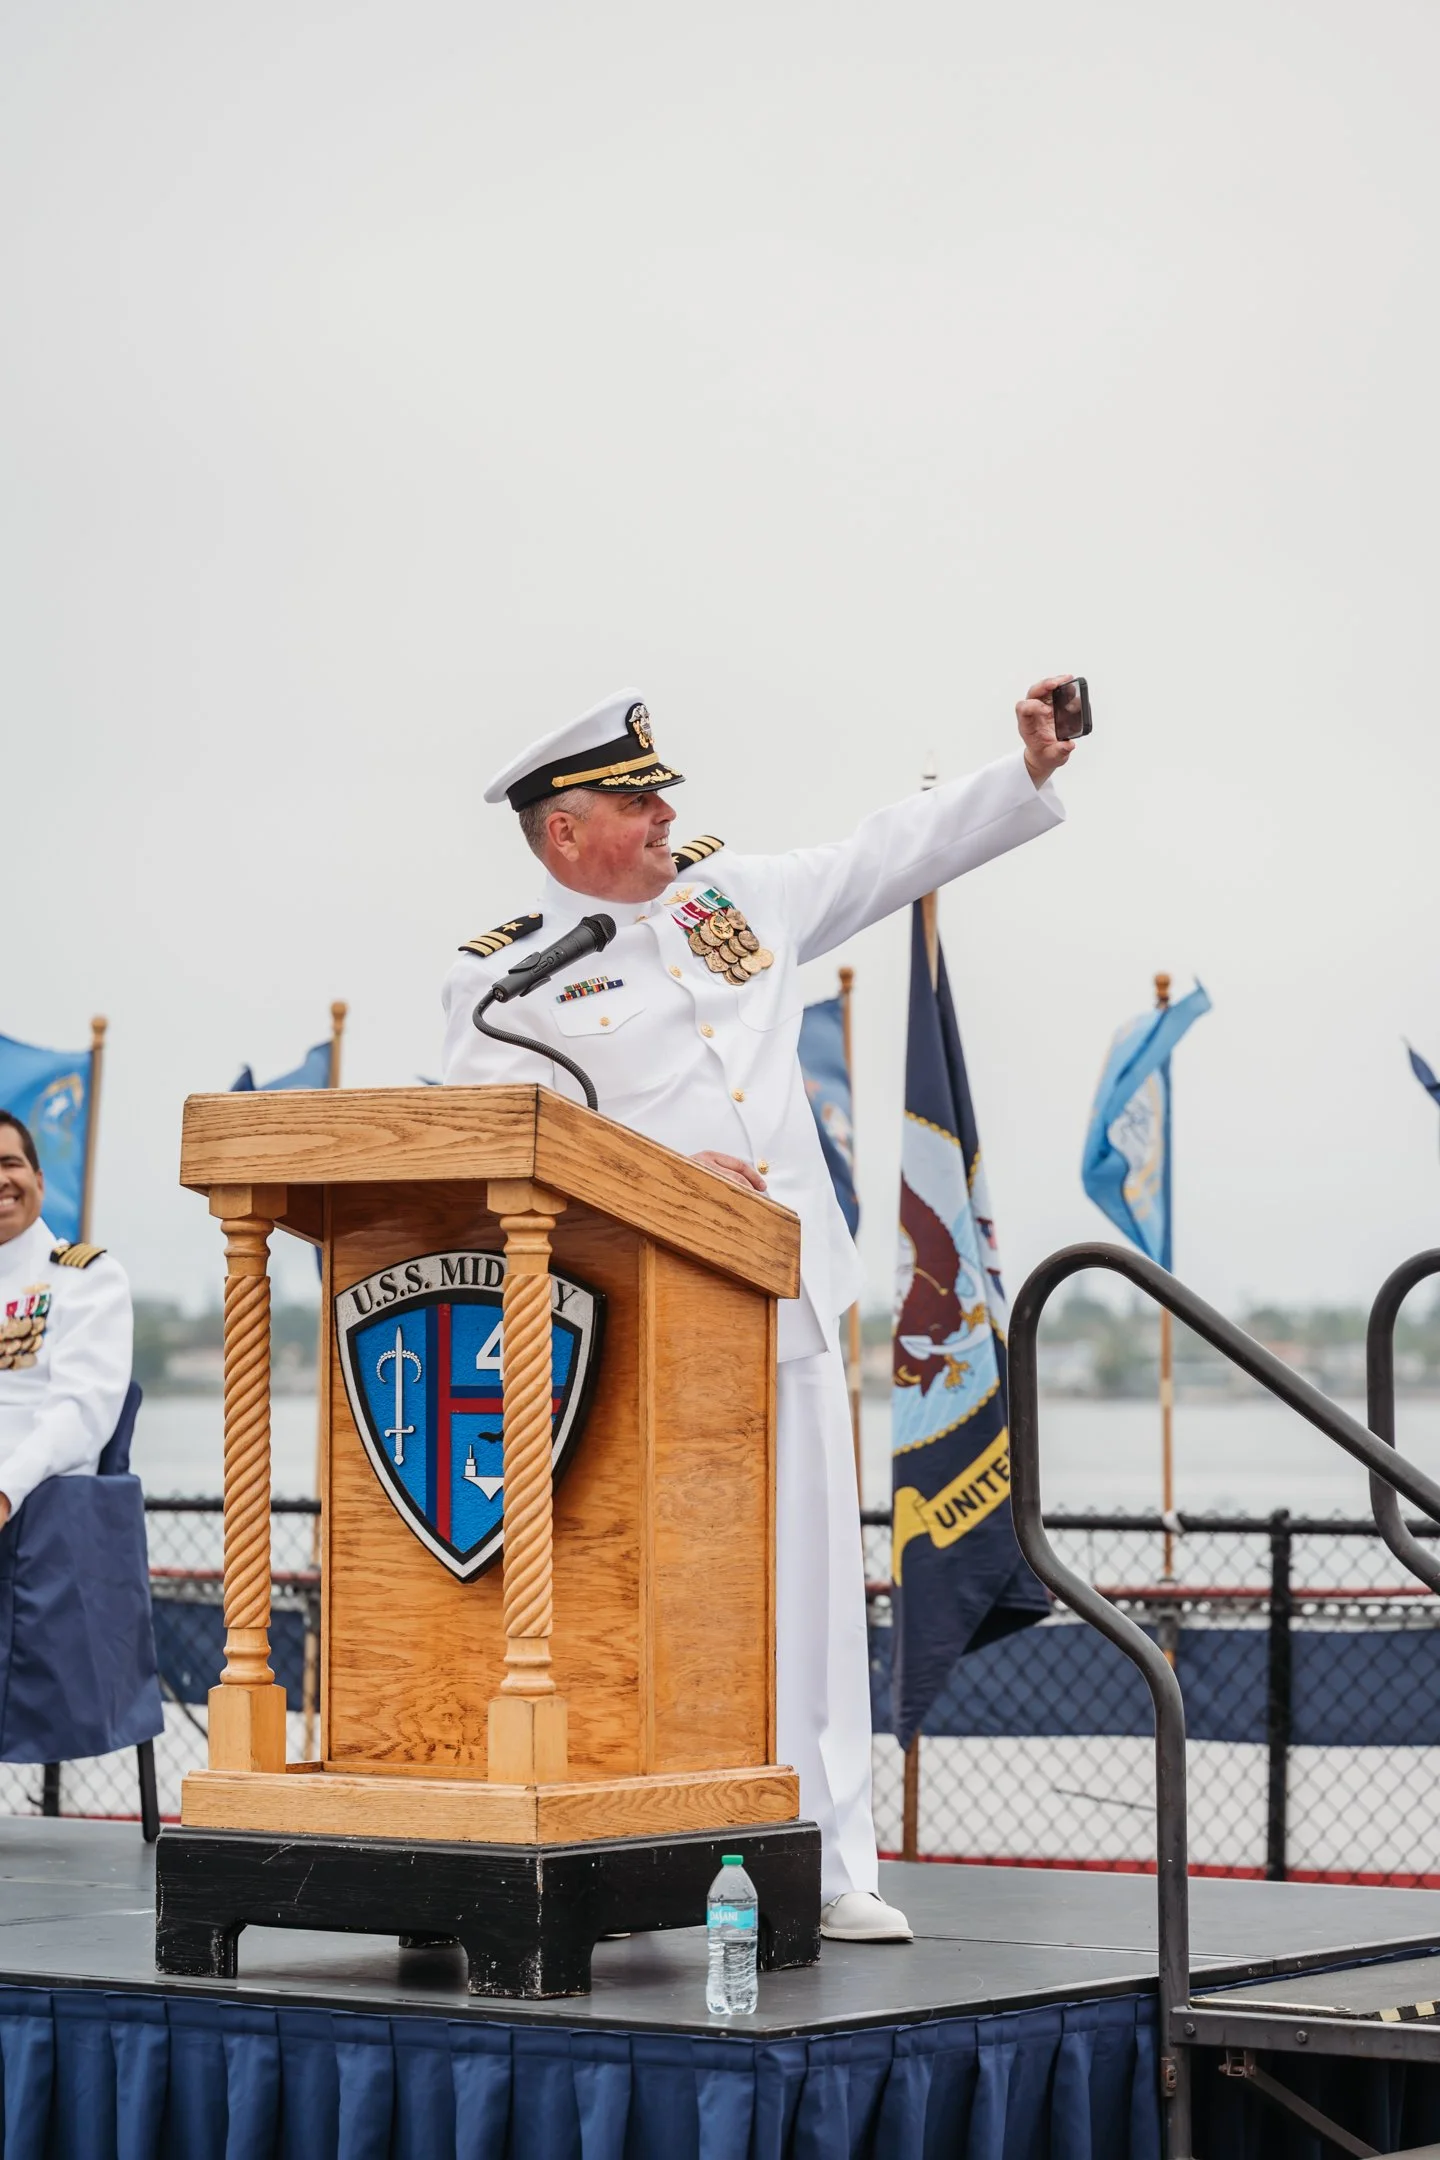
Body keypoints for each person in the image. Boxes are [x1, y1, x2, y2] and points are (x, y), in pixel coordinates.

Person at [441, 683, 1077, 1940]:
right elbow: (480, 1152)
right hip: (610, 1332)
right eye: (636, 800)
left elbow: (885, 851)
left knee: (815, 1601)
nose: (667, 811)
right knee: (626, 1598)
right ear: (565, 834)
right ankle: (619, 1848)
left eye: (662, 791)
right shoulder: (501, 984)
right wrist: (648, 1176)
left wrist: (1022, 768)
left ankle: (830, 1866)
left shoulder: (733, 897)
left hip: (777, 1305)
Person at [0, 1111, 132, 1526]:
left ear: (39, 1180)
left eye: (10, 1164)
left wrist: (4, 1492)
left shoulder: (85, 1277)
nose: (1, 1180)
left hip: (38, 1522)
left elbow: (79, 1412)